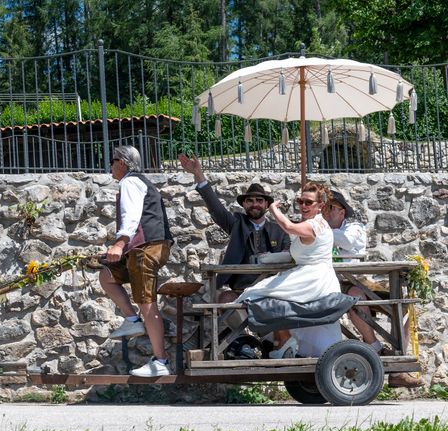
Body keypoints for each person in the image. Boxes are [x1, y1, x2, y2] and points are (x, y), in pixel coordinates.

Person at [324, 190, 422, 388]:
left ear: (342, 212)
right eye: (323, 208)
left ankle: (398, 361)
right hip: (328, 282)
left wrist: (317, 229)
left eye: (329, 208)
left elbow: (347, 241)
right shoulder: (318, 229)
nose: (325, 212)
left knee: (403, 305)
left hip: (356, 280)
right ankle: (375, 349)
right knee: (354, 296)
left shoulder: (354, 228)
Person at [234, 182, 342, 358]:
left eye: (308, 202)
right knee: (262, 295)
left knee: (256, 294)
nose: (303, 206)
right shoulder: (314, 223)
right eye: (300, 201)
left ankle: (283, 338)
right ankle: (281, 338)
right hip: (309, 275)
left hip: (313, 278)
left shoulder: (313, 225)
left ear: (320, 206)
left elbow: (289, 227)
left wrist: (273, 209)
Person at [100, 145, 174, 377]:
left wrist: (120, 243)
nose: (110, 166)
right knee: (107, 275)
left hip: (145, 249)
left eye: (112, 161)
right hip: (145, 248)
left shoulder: (130, 182)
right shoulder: (139, 182)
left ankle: (161, 360)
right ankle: (132, 319)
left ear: (122, 162)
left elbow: (131, 216)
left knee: (147, 302)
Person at [178, 153, 290, 303]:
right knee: (225, 299)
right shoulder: (237, 223)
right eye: (249, 200)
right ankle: (230, 328)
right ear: (244, 204)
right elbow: (216, 209)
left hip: (271, 291)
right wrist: (199, 174)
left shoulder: (280, 230)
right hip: (240, 291)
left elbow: (288, 255)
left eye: (259, 200)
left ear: (266, 204)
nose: (254, 204)